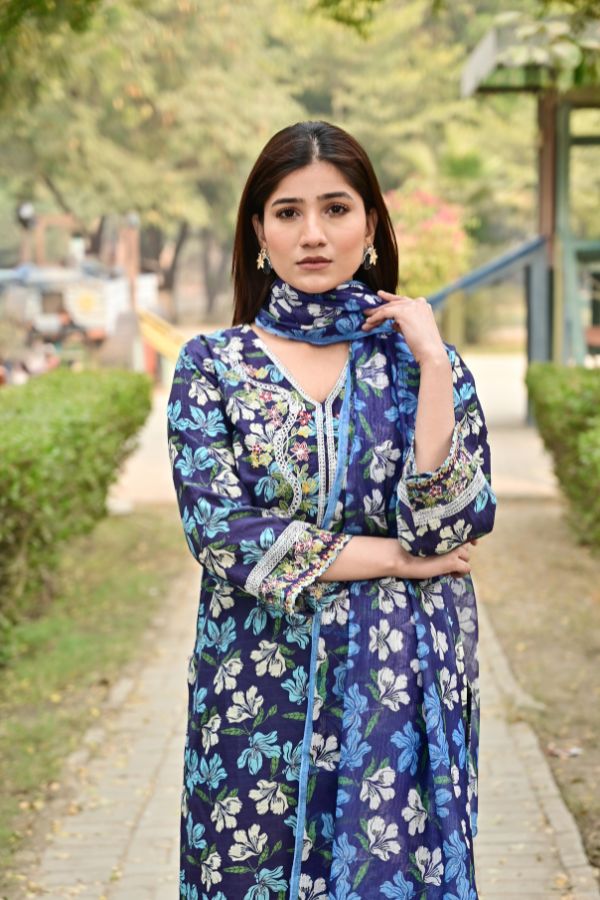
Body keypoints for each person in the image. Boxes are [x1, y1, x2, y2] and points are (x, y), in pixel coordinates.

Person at [167, 120, 496, 900]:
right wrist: (390, 559)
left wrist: (433, 366)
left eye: (336, 209)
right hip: (257, 687)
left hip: (397, 690)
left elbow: (448, 525)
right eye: (287, 212)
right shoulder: (213, 367)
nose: (312, 234)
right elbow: (226, 538)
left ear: (371, 223)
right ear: (258, 231)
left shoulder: (422, 365)